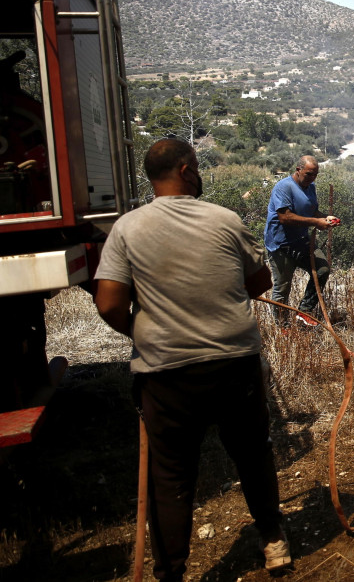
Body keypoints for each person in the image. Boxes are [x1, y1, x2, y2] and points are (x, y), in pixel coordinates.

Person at [93, 139, 291, 581]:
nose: (198, 173)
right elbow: (258, 281)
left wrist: (140, 333)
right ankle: (274, 541)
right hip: (233, 363)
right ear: (185, 171)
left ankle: (171, 572)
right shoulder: (224, 219)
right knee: (253, 454)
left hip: (166, 374)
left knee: (172, 476)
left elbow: (108, 303)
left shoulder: (127, 228)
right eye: (197, 167)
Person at [263, 155, 339, 326]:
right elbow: (285, 217)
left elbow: (312, 212)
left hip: (301, 241)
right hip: (281, 244)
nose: (312, 178)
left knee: (322, 269)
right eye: (309, 174)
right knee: (283, 287)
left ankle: (304, 312)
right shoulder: (283, 187)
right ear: (298, 170)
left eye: (315, 175)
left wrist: (325, 218)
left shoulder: (310, 187)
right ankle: (283, 327)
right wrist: (316, 223)